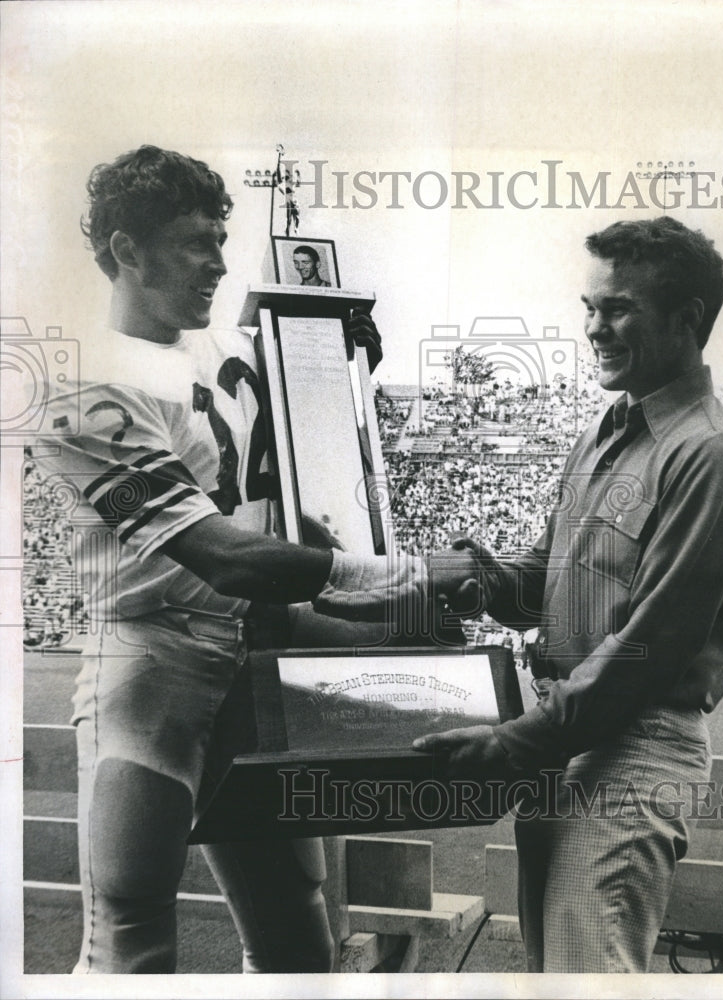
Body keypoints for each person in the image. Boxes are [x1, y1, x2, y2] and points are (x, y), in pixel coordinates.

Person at [32, 145, 435, 974]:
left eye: (222, 238)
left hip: (256, 656)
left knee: (298, 944)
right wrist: (390, 578)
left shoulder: (225, 358)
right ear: (125, 251)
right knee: (130, 947)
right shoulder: (81, 387)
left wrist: (342, 371)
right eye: (194, 242)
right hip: (152, 672)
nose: (219, 261)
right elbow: (224, 557)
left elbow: (299, 478)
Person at [407, 217, 723, 972]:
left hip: (634, 747)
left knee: (589, 979)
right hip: (568, 741)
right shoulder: (606, 429)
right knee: (559, 976)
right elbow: (543, 582)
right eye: (589, 307)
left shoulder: (713, 455)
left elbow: (648, 651)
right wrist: (469, 577)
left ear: (687, 318)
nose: (594, 329)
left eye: (618, 309)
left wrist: (514, 742)